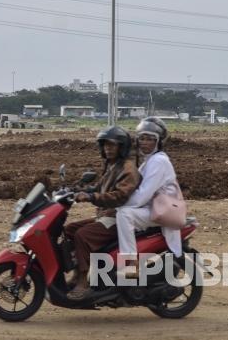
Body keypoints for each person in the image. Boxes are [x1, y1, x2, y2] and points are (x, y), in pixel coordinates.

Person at [64, 126, 140, 300]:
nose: (108, 148)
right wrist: (78, 188)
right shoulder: (112, 165)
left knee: (82, 235)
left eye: (112, 145)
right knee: (69, 229)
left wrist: (91, 197)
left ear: (122, 147)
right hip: (104, 215)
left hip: (116, 216)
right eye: (105, 145)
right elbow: (101, 186)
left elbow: (120, 196)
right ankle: (77, 273)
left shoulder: (128, 168)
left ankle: (84, 282)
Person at [115, 117, 183, 276]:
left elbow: (142, 196)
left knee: (124, 214)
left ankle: (131, 263)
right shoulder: (149, 161)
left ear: (158, 142)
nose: (145, 143)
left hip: (163, 212)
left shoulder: (158, 161)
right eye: (142, 138)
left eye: (150, 139)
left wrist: (118, 204)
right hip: (154, 209)